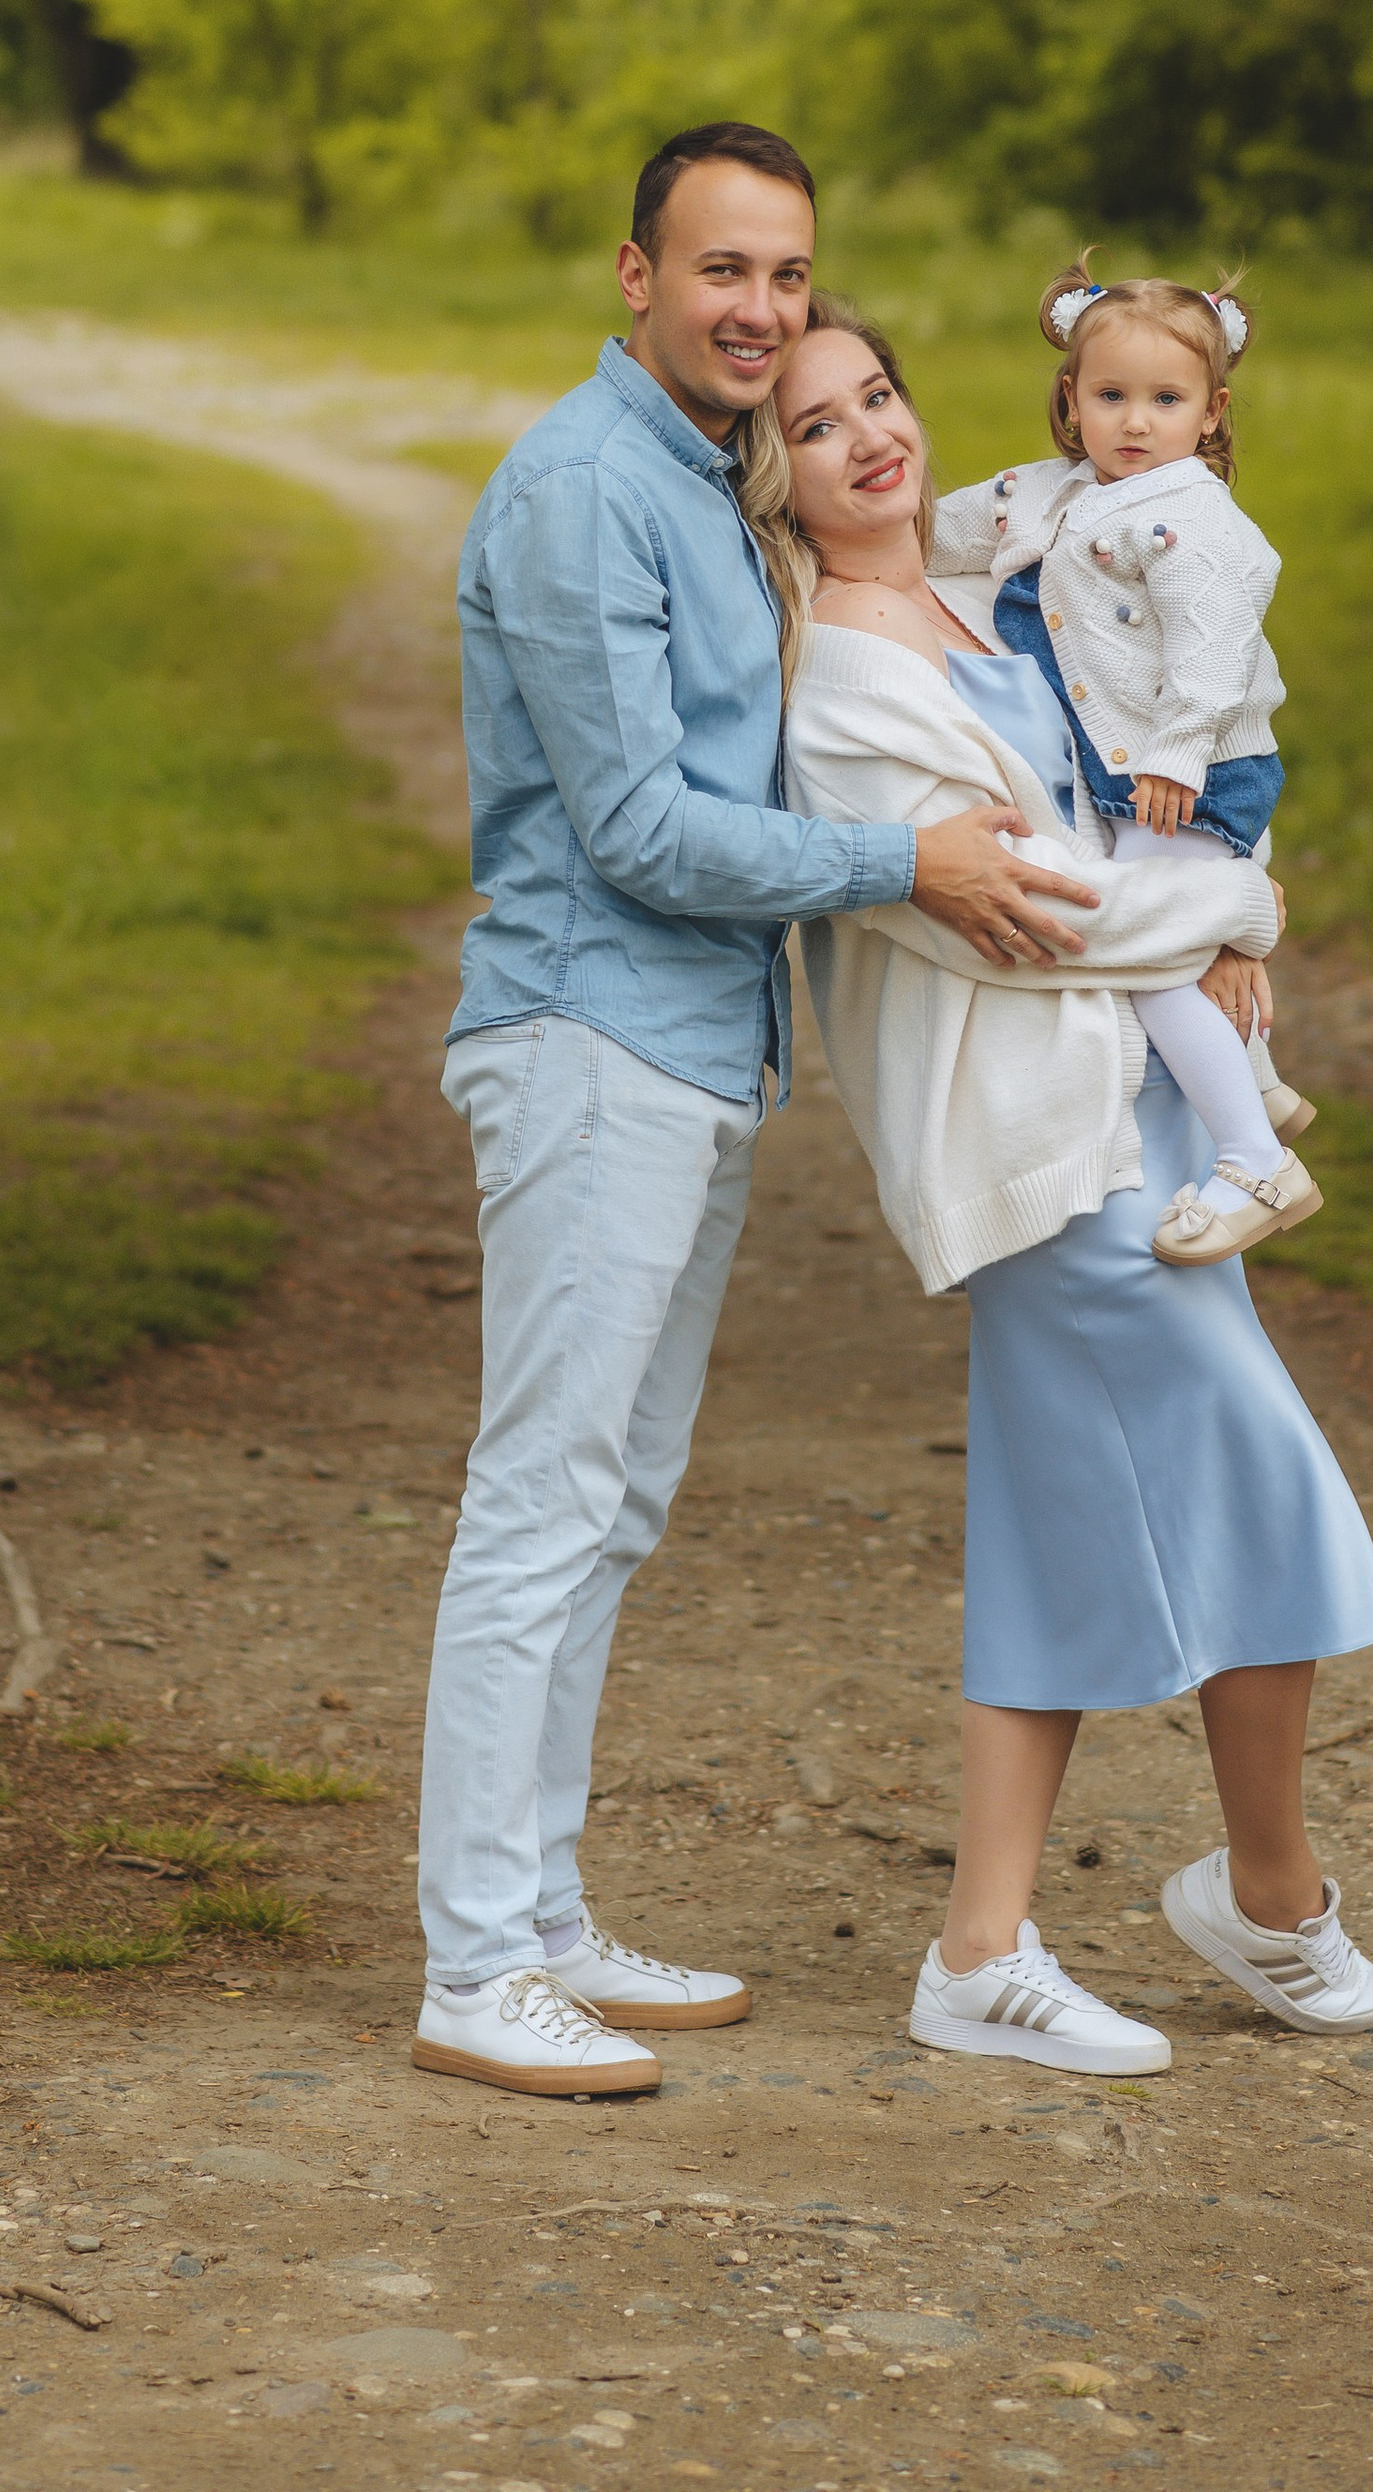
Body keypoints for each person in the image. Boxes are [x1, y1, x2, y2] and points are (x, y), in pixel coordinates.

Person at [414, 124, 1107, 2102]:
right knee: (538, 1505)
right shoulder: (575, 494)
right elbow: (630, 828)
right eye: (721, 271)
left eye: (786, 276)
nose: (759, 310)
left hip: (692, 1053)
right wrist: (901, 865)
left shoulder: (704, 482)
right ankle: (472, 1962)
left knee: (607, 1507)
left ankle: (541, 1917)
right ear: (633, 276)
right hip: (585, 1039)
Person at [756, 298, 1373, 2078]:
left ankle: (984, 1947)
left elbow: (1161, 766)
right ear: (772, 475)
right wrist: (1240, 919)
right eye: (819, 428)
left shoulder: (1006, 558)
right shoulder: (830, 682)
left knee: (1057, 1519)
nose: (873, 438)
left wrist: (1221, 887)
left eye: (879, 394)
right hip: (1047, 1145)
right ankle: (1266, 1897)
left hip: (1150, 1109)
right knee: (1257, 1465)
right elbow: (1042, 915)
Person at [944, 261, 1321, 1267]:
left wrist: (1178, 752)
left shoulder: (1190, 518)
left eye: (1165, 400)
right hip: (1133, 771)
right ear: (1070, 398)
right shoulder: (1048, 491)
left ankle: (1252, 1161)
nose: (1134, 422)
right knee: (1172, 929)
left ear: (1210, 413)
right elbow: (945, 527)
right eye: (1110, 396)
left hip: (1187, 769)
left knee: (1153, 956)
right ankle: (1259, 1079)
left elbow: (1213, 643)